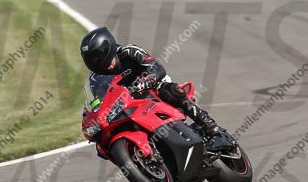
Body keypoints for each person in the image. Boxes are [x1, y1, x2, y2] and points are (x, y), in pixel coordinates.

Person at [80, 27, 221, 139]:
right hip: (129, 105)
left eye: (105, 59)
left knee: (167, 90)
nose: (107, 66)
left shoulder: (129, 51)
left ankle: (205, 120)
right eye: (94, 61)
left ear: (110, 49)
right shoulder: (96, 79)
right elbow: (96, 101)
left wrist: (147, 80)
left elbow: (157, 68)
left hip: (153, 88)